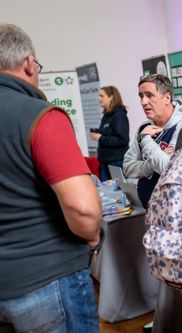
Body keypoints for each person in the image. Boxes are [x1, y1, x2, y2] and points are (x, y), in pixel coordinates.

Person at [0, 23, 102, 331]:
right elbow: (84, 210)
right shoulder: (41, 115)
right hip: (48, 281)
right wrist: (92, 234)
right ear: (29, 63)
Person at [123, 74, 182, 207]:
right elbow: (127, 167)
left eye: (149, 95)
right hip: (150, 210)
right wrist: (152, 164)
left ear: (167, 98)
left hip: (175, 211)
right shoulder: (144, 127)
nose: (143, 102)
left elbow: (168, 169)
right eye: (141, 96)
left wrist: (146, 140)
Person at [90, 85, 129, 181]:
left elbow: (122, 140)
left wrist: (100, 138)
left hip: (116, 162)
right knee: (106, 193)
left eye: (102, 96)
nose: (99, 98)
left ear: (111, 97)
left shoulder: (119, 115)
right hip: (105, 162)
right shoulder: (106, 115)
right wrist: (99, 132)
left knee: (119, 193)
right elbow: (108, 133)